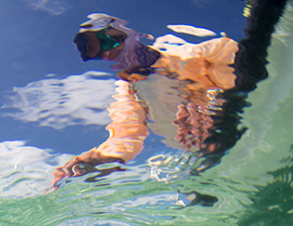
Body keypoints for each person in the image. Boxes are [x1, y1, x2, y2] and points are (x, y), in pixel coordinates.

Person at [52, 13, 239, 188]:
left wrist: (218, 113)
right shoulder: (130, 91)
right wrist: (96, 160)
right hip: (209, 158)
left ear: (132, 33)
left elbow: (243, 79)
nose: (109, 52)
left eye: (111, 40)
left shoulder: (204, 53)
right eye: (98, 52)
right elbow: (126, 134)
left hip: (243, 135)